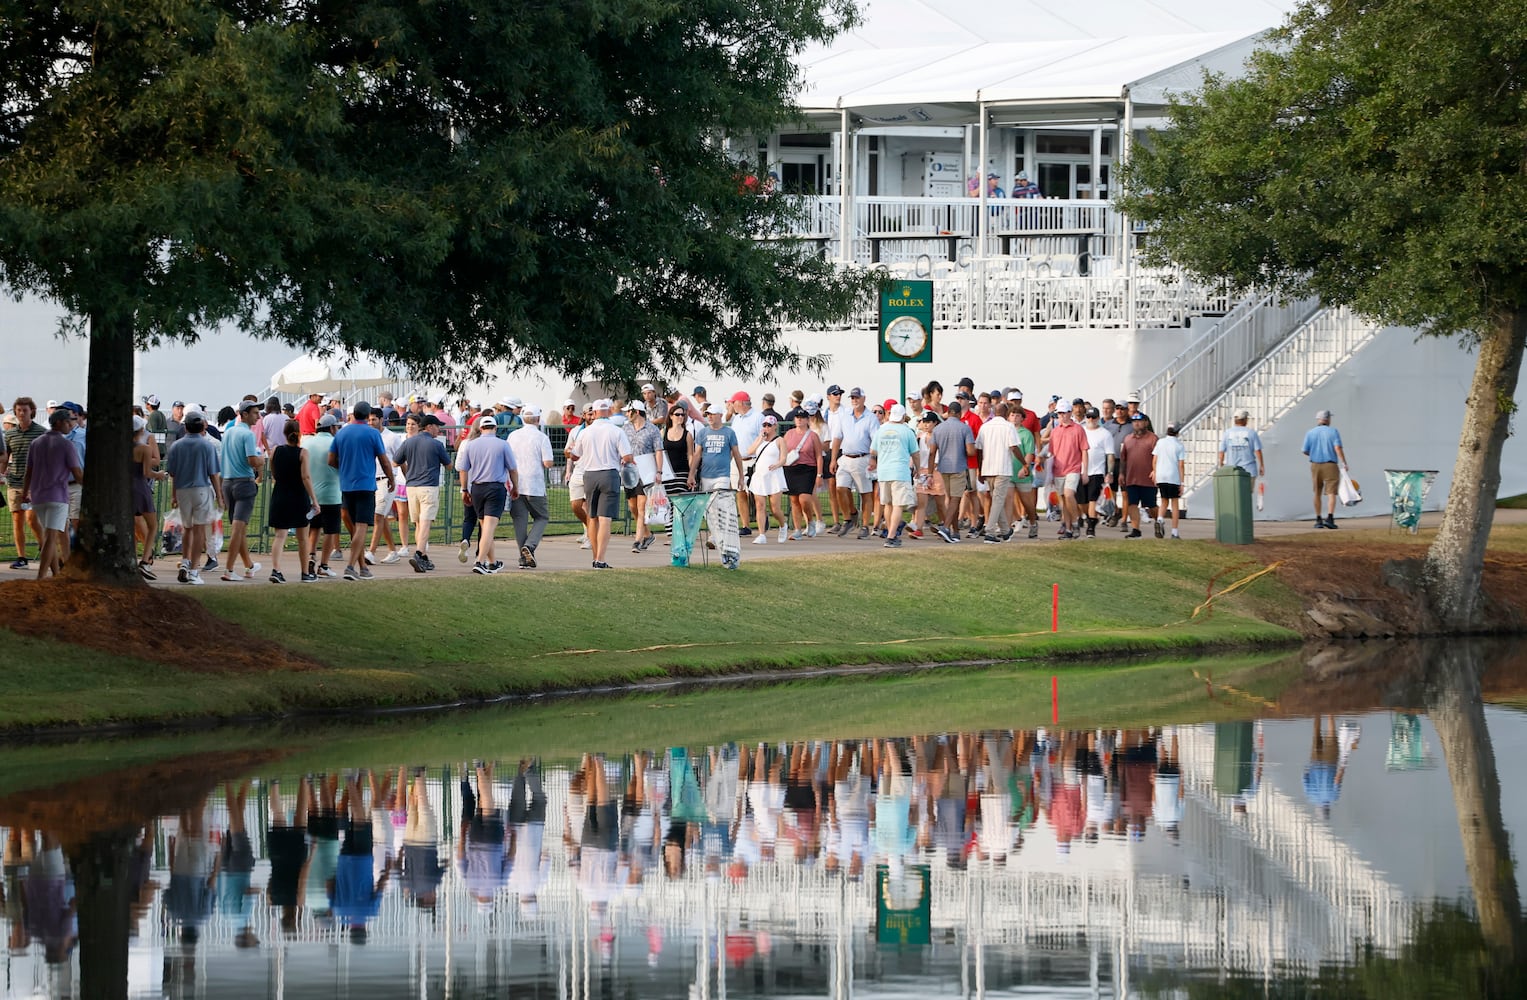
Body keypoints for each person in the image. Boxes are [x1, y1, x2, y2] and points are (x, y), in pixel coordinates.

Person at [328, 401, 395, 580]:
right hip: (365, 485)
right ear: (367, 416)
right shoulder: (372, 433)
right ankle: (351, 566)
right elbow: (384, 459)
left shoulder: (342, 433)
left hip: (346, 485)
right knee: (361, 527)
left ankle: (362, 567)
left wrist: (343, 470)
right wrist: (391, 478)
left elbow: (331, 459)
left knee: (355, 528)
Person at [21, 408, 82, 580]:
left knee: (49, 536)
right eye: (68, 421)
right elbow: (77, 474)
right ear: (59, 422)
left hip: (38, 497)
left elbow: (29, 472)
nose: (71, 425)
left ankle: (56, 574)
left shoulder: (36, 443)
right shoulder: (66, 445)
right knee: (51, 537)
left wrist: (25, 493)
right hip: (58, 496)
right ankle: (40, 577)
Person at [164, 409, 223, 585]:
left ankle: (185, 561)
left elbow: (173, 473)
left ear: (186, 427)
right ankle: (194, 570)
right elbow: (213, 473)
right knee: (199, 530)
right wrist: (219, 496)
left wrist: (173, 495)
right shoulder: (207, 446)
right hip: (201, 489)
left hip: (182, 490)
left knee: (187, 528)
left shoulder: (176, 446)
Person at [457, 413, 520, 574]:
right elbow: (513, 469)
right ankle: (479, 561)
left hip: (477, 488)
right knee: (489, 527)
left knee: (486, 527)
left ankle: (492, 562)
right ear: (495, 428)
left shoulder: (470, 445)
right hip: (495, 488)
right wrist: (515, 487)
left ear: (480, 428)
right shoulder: (502, 444)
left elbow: (463, 469)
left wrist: (464, 489)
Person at [574, 399, 633, 569]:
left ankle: (595, 555)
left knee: (592, 518)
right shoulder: (616, 431)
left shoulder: (585, 432)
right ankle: (600, 558)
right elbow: (627, 456)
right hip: (609, 473)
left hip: (590, 474)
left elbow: (575, 455)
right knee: (605, 519)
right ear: (608, 411)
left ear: (594, 413)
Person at [691, 402, 746, 570]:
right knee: (709, 509)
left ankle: (722, 540)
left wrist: (741, 476)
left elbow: (736, 454)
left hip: (722, 475)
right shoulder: (703, 433)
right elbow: (697, 454)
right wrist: (691, 474)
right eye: (707, 414)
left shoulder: (729, 433)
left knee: (720, 504)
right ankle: (717, 536)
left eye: (712, 414)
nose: (709, 417)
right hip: (706, 476)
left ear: (720, 415)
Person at [395, 413, 451, 572]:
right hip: (428, 486)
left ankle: (424, 556)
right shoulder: (436, 445)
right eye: (437, 426)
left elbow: (395, 461)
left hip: (411, 487)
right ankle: (419, 553)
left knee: (418, 522)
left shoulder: (409, 442)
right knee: (425, 522)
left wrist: (408, 469)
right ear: (429, 427)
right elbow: (449, 465)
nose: (439, 430)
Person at [266, 418, 318, 583]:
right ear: (299, 433)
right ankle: (304, 572)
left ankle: (276, 569)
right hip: (298, 495)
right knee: (303, 537)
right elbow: (306, 477)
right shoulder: (302, 453)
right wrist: (314, 500)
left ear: (284, 433)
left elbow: (273, 472)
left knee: (280, 536)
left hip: (280, 493)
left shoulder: (275, 450)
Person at [219, 399, 265, 581]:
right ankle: (229, 569)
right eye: (255, 413)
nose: (258, 416)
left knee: (240, 528)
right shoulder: (247, 435)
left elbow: (223, 460)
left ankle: (249, 566)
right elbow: (252, 460)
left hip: (228, 483)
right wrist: (262, 460)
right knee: (238, 529)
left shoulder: (229, 432)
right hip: (244, 483)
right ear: (244, 414)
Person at [508, 406, 555, 568]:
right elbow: (548, 463)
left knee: (519, 520)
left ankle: (524, 556)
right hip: (534, 483)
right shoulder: (541, 437)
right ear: (537, 419)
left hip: (516, 482)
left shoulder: (513, 436)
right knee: (542, 517)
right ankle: (530, 546)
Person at [2, 396, 45, 569]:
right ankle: (22, 557)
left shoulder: (41, 432)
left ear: (32, 411)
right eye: (18, 410)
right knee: (16, 519)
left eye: (24, 410)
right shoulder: (10, 434)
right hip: (14, 481)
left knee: (31, 518)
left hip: (35, 483)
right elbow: (5, 456)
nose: (21, 413)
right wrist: (2, 472)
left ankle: (44, 545)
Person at [869, 405, 919, 547]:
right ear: (903, 416)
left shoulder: (882, 429)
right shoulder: (907, 431)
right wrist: (919, 469)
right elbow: (915, 453)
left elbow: (873, 450)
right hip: (900, 472)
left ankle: (891, 533)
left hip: (884, 472)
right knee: (898, 505)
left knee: (888, 504)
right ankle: (891, 536)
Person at [302, 413, 344, 577]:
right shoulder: (335, 442)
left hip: (312, 493)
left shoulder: (307, 443)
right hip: (332, 493)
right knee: (331, 530)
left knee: (314, 528)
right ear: (332, 428)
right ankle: (324, 565)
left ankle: (311, 556)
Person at [831, 388, 877, 538]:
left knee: (865, 493)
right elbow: (837, 438)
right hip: (845, 457)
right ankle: (849, 517)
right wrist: (833, 459)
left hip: (863, 458)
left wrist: (873, 458)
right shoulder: (844, 416)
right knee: (840, 489)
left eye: (857, 397)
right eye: (852, 398)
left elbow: (875, 440)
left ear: (864, 398)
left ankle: (864, 526)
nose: (854, 400)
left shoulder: (871, 418)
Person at [975, 402, 1022, 543]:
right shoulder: (1009, 427)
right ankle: (989, 532)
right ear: (1007, 414)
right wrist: (1024, 463)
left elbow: (979, 450)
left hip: (988, 468)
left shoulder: (985, 427)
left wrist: (980, 470)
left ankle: (1005, 531)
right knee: (998, 499)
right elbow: (1013, 447)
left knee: (997, 499)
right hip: (1003, 468)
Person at [929, 399, 975, 543]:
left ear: (948, 413)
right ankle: (946, 527)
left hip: (943, 467)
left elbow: (932, 452)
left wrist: (930, 473)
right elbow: (971, 451)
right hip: (958, 466)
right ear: (960, 414)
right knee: (956, 499)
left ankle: (955, 532)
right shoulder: (964, 428)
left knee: (950, 499)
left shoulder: (938, 429)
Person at [131, 415, 168, 579]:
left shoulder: (120, 448)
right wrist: (159, 475)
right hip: (140, 487)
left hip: (126, 488)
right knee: (152, 525)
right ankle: (145, 560)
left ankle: (131, 558)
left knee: (132, 525)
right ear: (140, 430)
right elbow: (147, 472)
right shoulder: (144, 449)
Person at [624, 400, 662, 553]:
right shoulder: (625, 428)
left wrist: (659, 471)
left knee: (641, 507)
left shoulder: (652, 429)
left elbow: (658, 450)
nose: (627, 414)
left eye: (629, 411)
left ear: (637, 412)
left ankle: (637, 541)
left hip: (645, 472)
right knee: (632, 506)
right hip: (629, 471)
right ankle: (647, 534)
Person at [1302, 408, 1348, 529]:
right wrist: (1344, 462)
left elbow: (1305, 450)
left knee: (1317, 492)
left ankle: (1318, 519)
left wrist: (1314, 454)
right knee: (1331, 492)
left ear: (1318, 419)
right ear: (1328, 419)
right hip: (1330, 464)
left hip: (1315, 464)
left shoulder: (1310, 432)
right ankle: (1330, 517)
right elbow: (1337, 448)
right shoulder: (1333, 432)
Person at [781, 408, 822, 539]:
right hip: (791, 468)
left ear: (807, 420)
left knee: (804, 498)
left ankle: (810, 521)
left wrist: (819, 474)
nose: (799, 419)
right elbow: (783, 450)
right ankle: (797, 529)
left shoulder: (813, 436)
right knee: (794, 500)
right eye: (797, 417)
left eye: (802, 417)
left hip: (808, 469)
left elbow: (819, 456)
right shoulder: (789, 434)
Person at [746, 416, 787, 544]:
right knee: (760, 505)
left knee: (775, 508)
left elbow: (784, 458)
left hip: (774, 476)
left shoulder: (779, 440)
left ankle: (782, 525)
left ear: (775, 426)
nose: (766, 428)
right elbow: (750, 451)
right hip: (760, 476)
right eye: (765, 425)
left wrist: (777, 464)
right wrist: (760, 439)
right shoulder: (760, 439)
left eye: (769, 425)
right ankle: (761, 534)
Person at [1153, 423, 1187, 538]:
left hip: (1161, 476)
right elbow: (1181, 465)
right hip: (1173, 476)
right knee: (1175, 504)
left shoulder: (1160, 442)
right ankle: (1174, 532)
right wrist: (1182, 482)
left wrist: (1155, 472)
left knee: (1164, 501)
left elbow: (1154, 460)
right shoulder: (1179, 445)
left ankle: (1160, 519)